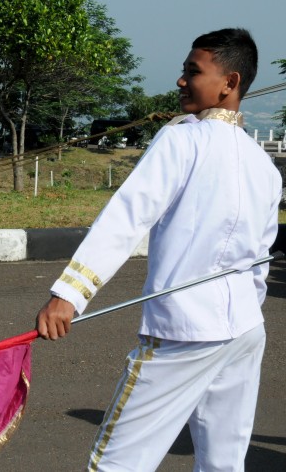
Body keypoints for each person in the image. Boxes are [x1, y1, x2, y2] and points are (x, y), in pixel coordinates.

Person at [36, 28, 282, 471]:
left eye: (193, 72)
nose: (181, 81)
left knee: (116, 463)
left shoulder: (181, 139)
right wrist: (240, 311)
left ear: (230, 83)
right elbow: (260, 262)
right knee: (225, 463)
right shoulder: (263, 164)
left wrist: (68, 295)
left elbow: (126, 219)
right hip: (245, 331)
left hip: (182, 334)